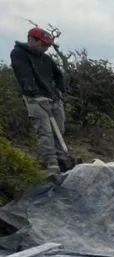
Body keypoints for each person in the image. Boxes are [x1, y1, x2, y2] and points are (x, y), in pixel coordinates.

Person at [9, 27, 67, 175]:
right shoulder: (19, 54)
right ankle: (51, 164)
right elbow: (24, 76)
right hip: (35, 99)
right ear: (31, 39)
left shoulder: (46, 59)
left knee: (59, 130)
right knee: (45, 131)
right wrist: (35, 94)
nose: (45, 48)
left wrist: (59, 91)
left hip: (53, 98)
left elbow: (59, 76)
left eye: (48, 46)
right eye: (43, 44)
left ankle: (62, 160)